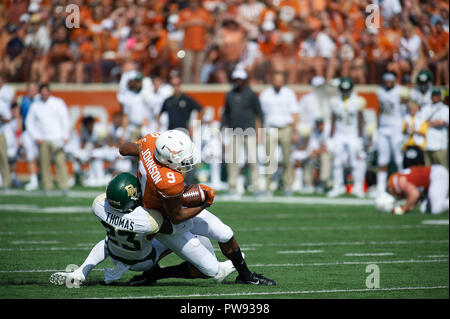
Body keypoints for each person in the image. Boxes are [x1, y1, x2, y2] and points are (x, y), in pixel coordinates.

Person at [119, 130, 275, 285]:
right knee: (211, 271)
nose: (187, 162)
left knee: (225, 233)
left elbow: (124, 149)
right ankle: (157, 273)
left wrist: (143, 151)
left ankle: (246, 276)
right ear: (168, 160)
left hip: (167, 204)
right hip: (164, 221)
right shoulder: (169, 181)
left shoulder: (153, 143)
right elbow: (177, 217)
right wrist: (204, 204)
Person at [49, 173, 235, 286]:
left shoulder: (99, 206)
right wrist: (200, 205)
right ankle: (214, 267)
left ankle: (81, 272)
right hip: (143, 260)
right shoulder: (147, 220)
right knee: (186, 232)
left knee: (107, 241)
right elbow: (173, 228)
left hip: (115, 251)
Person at [220, 68, 263, 197]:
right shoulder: (230, 95)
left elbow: (259, 113)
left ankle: (256, 187)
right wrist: (222, 128)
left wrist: (259, 131)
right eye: (236, 79)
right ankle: (232, 187)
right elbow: (226, 113)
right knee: (232, 160)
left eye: (240, 79)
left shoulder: (251, 94)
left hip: (249, 130)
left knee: (253, 160)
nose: (238, 81)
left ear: (244, 80)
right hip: (234, 131)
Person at [25, 83, 70, 195]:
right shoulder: (35, 105)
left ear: (49, 92)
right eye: (42, 93)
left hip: (57, 138)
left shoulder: (58, 103)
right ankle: (47, 186)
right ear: (40, 93)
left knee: (60, 162)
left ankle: (64, 185)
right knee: (44, 164)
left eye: (46, 93)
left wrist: (65, 136)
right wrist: (36, 136)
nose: (44, 95)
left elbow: (65, 119)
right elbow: (29, 122)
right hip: (43, 138)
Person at [327, 77, 367, 198]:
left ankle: (358, 187)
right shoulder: (335, 101)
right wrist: (330, 137)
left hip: (352, 134)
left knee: (356, 162)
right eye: (343, 90)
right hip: (339, 134)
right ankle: (337, 187)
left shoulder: (357, 101)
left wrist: (360, 137)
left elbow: (360, 120)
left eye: (347, 90)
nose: (345, 92)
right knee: (337, 161)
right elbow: (333, 119)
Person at [375, 72, 406, 195]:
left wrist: (404, 127)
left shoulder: (400, 91)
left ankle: (403, 185)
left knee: (399, 159)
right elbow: (380, 109)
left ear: (394, 81)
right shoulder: (380, 91)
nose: (387, 83)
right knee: (382, 159)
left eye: (390, 81)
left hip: (396, 128)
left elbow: (405, 110)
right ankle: (380, 187)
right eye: (386, 81)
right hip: (383, 127)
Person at [420, 87, 449, 169]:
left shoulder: (445, 108)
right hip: (426, 143)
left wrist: (429, 123)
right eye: (433, 95)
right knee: (428, 170)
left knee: (442, 168)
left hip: (440, 145)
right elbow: (421, 122)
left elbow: (442, 122)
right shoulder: (426, 107)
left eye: (437, 95)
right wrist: (433, 122)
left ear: (441, 96)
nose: (435, 97)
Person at [19, 82, 40, 190]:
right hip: (27, 131)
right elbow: (18, 116)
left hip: (41, 132)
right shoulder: (22, 100)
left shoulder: (41, 100)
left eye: (33, 89)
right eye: (29, 89)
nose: (31, 91)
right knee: (30, 155)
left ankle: (40, 177)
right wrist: (18, 133)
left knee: (41, 156)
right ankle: (33, 179)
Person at [401, 100, 427, 169]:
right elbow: (403, 132)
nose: (412, 110)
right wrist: (406, 129)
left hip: (418, 145)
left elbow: (424, 132)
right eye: (410, 108)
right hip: (408, 145)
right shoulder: (406, 118)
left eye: (413, 108)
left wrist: (414, 131)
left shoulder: (421, 118)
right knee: (408, 167)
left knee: (419, 166)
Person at [0, 74, 14, 190]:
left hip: (1, 132)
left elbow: (8, 118)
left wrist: (1, 117)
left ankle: (6, 182)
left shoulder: (2, 103)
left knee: (3, 158)